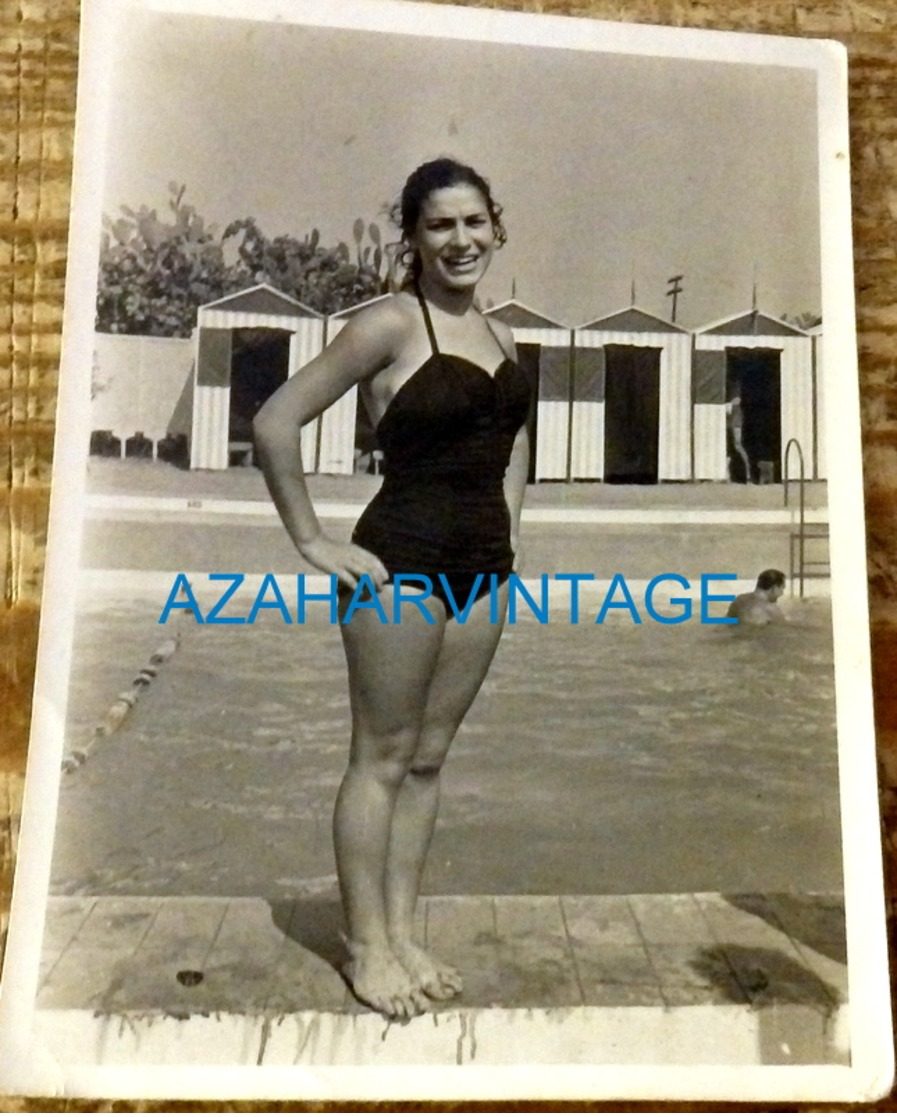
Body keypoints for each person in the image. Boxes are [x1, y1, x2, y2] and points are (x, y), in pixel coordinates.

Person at [253, 158, 531, 1020]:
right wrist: (311, 540)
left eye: (473, 222)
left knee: (428, 759)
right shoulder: (388, 324)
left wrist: (508, 534)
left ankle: (403, 931)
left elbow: (513, 443)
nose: (460, 240)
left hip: (482, 573)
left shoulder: (502, 337)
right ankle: (366, 945)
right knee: (379, 756)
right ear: (410, 237)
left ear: (496, 227)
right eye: (440, 225)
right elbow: (274, 420)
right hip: (397, 566)